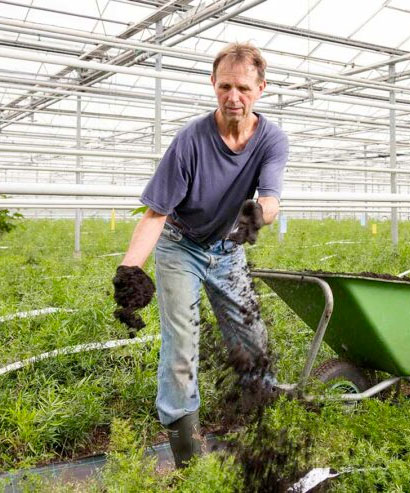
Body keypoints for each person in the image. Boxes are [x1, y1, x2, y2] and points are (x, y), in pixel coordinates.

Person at [113, 42, 289, 468]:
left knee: (252, 340)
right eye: (225, 86)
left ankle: (260, 431)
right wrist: (130, 268)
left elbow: (271, 200)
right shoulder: (190, 141)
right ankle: (189, 462)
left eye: (243, 88)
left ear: (260, 89)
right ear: (213, 84)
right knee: (181, 349)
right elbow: (156, 213)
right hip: (181, 247)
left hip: (228, 250)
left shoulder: (271, 139)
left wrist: (256, 214)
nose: (234, 97)